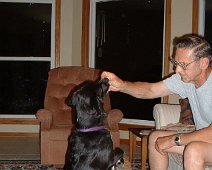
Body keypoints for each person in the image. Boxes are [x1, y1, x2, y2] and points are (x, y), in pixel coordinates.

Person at [101, 34, 212, 170]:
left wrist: (174, 139)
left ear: (203, 63)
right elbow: (150, 90)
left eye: (183, 65)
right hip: (206, 142)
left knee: (194, 150)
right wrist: (122, 85)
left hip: (206, 142)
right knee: (155, 139)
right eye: (176, 63)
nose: (177, 70)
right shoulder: (186, 80)